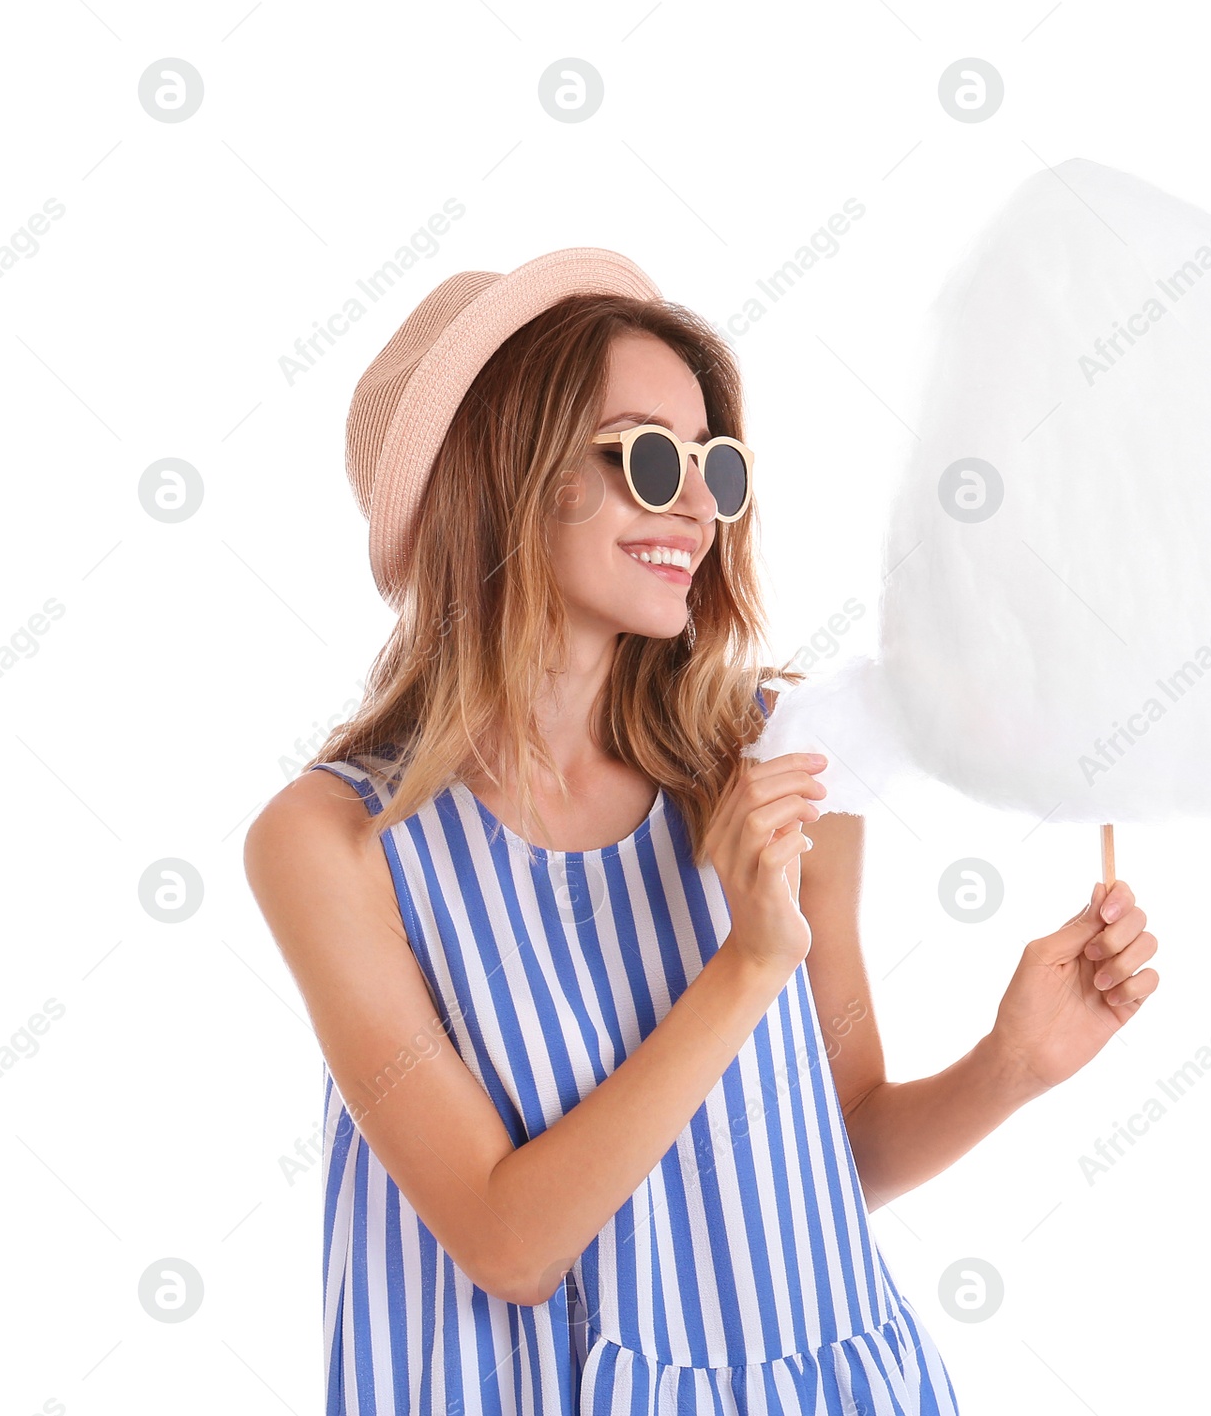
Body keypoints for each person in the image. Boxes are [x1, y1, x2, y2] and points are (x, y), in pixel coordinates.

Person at [243, 248, 1160, 1414]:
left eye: (714, 465)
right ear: (501, 473)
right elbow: (507, 1245)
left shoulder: (774, 759)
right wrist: (746, 963)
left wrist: (1010, 1066)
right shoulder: (335, 842)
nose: (695, 503)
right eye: (647, 456)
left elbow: (834, 1153)